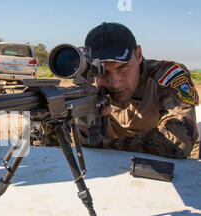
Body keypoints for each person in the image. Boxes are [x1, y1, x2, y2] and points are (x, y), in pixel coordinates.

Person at [84, 22, 198, 159]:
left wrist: (107, 145)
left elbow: (179, 141)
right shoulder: (91, 89)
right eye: (103, 72)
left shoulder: (166, 75)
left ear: (138, 55)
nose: (114, 83)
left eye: (123, 67)